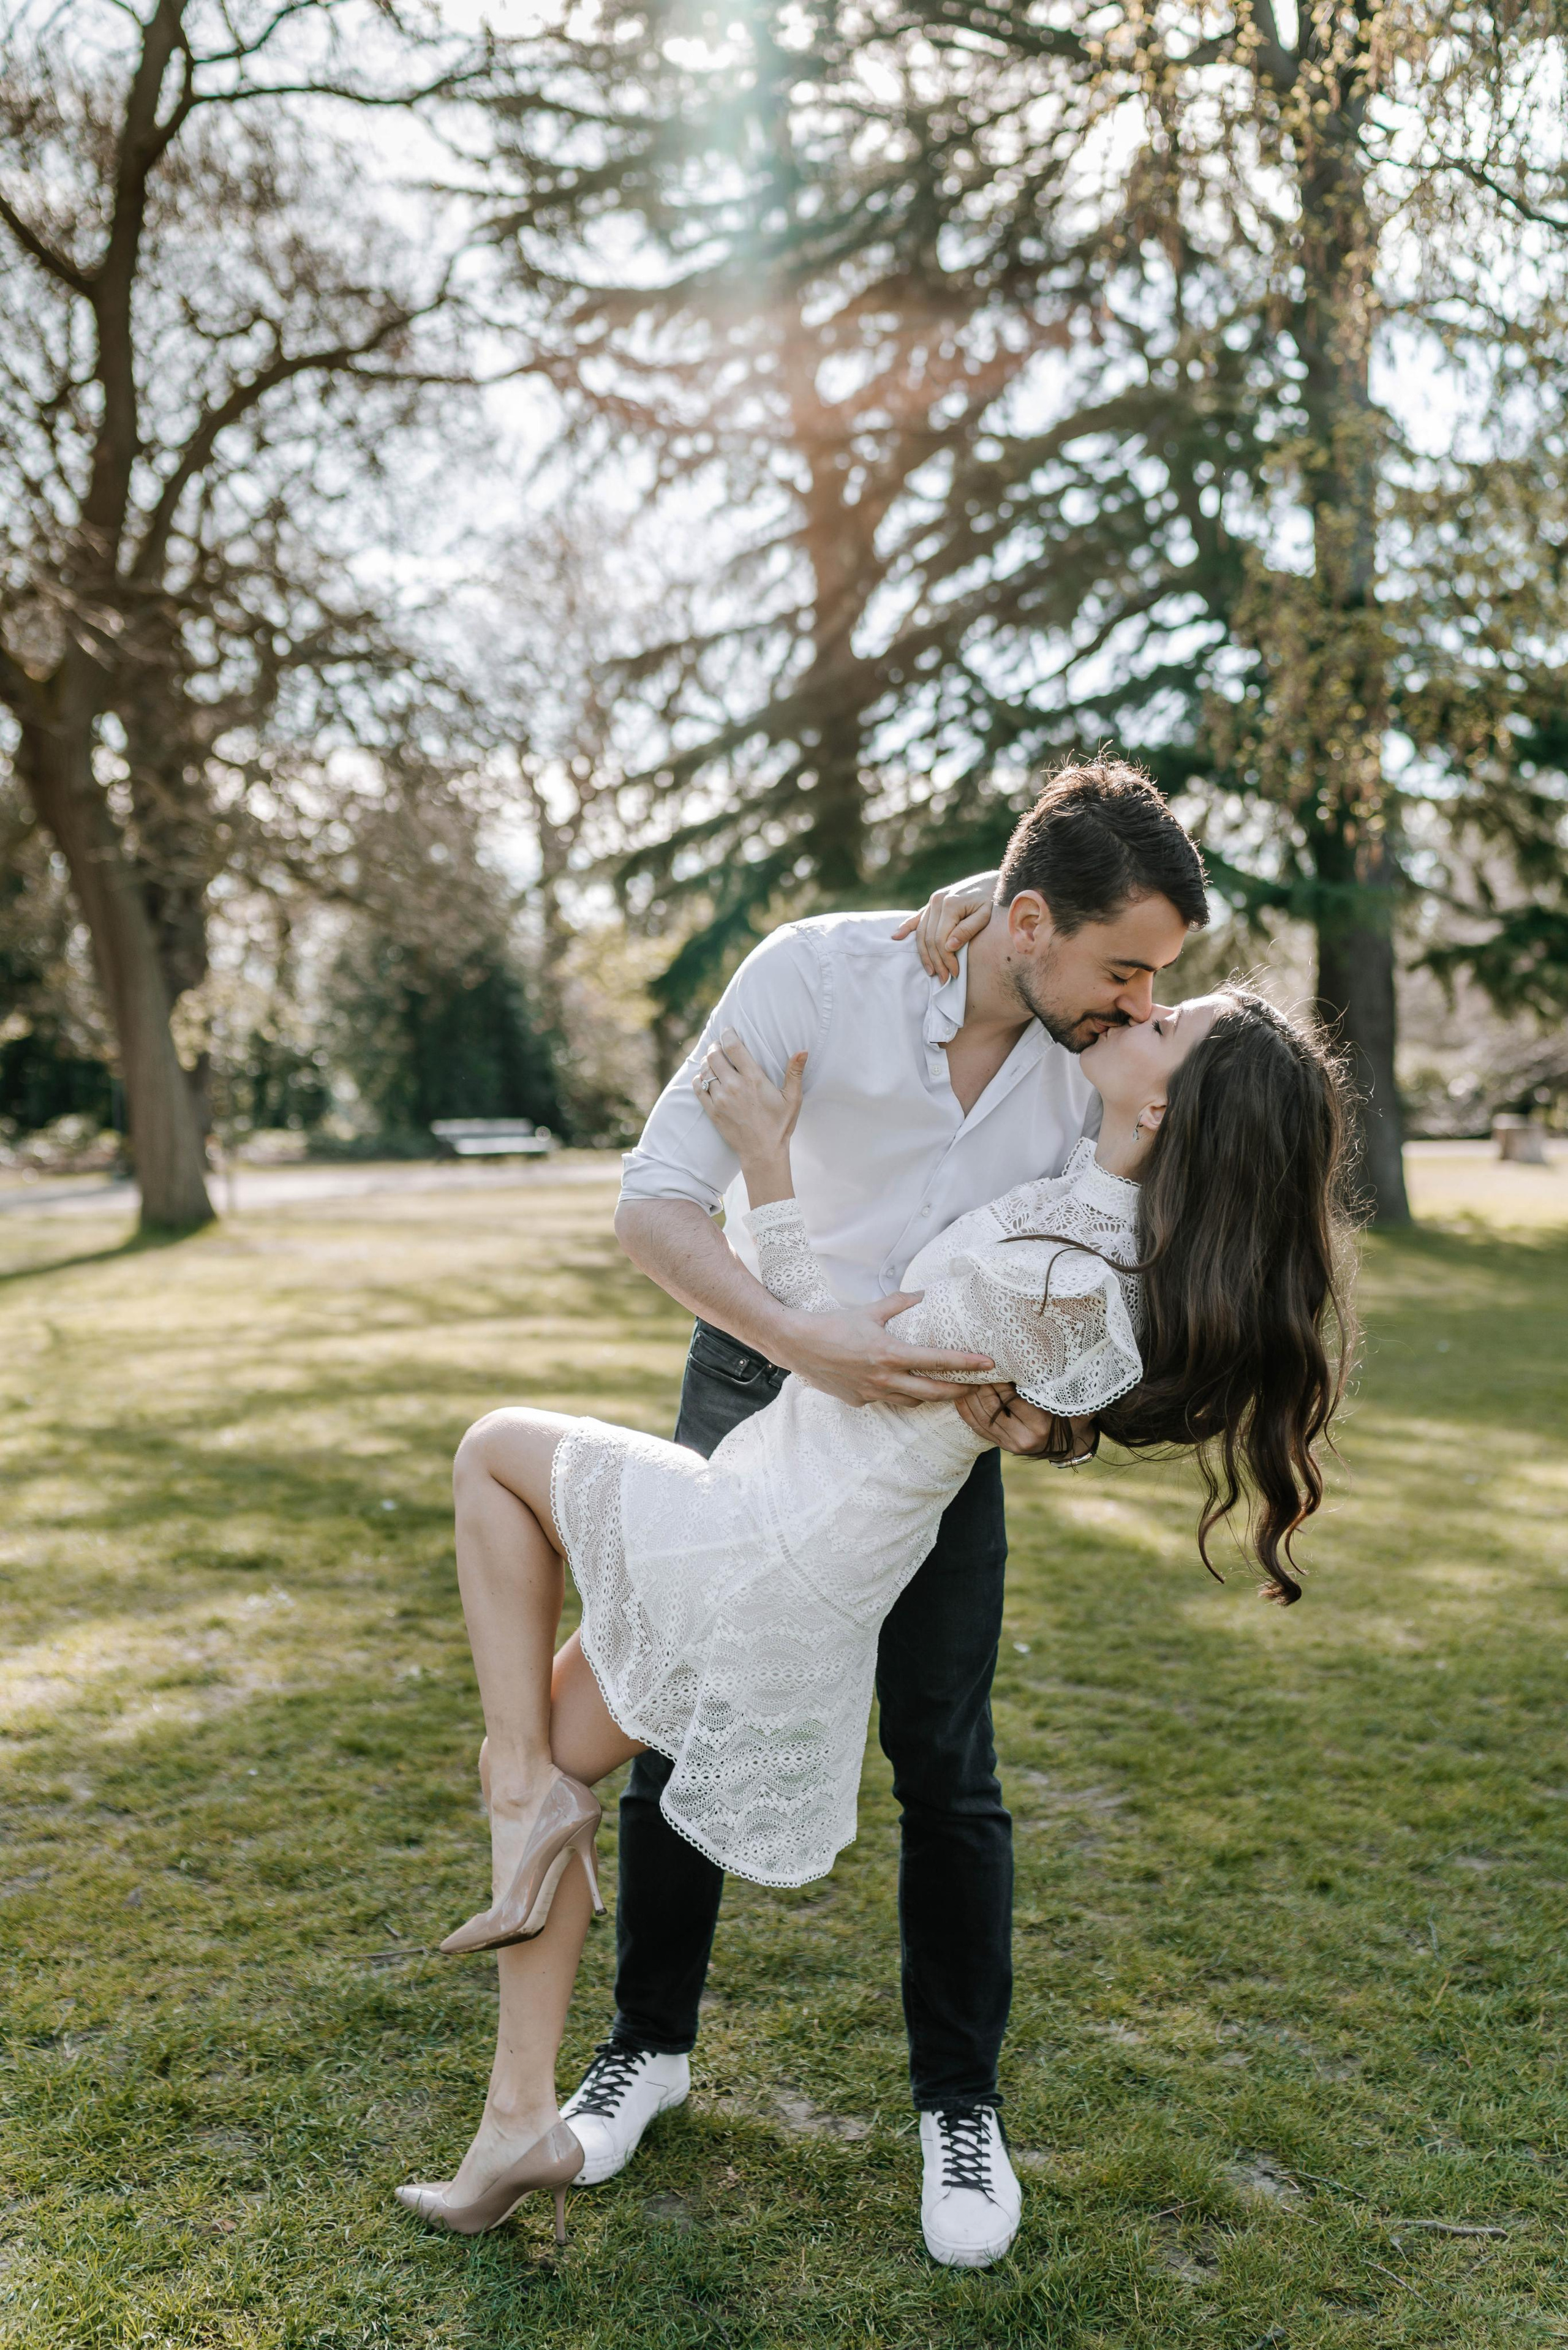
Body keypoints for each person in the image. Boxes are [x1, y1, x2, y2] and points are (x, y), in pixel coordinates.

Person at [393, 774, 1357, 2267]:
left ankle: (953, 2102)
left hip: (858, 1475)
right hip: (771, 1406)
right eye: (1127, 973)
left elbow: (1039, 1321)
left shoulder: (1084, 1059)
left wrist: (1043, 1410)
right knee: (594, 1756)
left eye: (1156, 991)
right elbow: (653, 1209)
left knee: (943, 1767)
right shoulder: (824, 973)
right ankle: (597, 2067)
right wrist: (819, 1331)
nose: (1134, 1001)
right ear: (1023, 922)